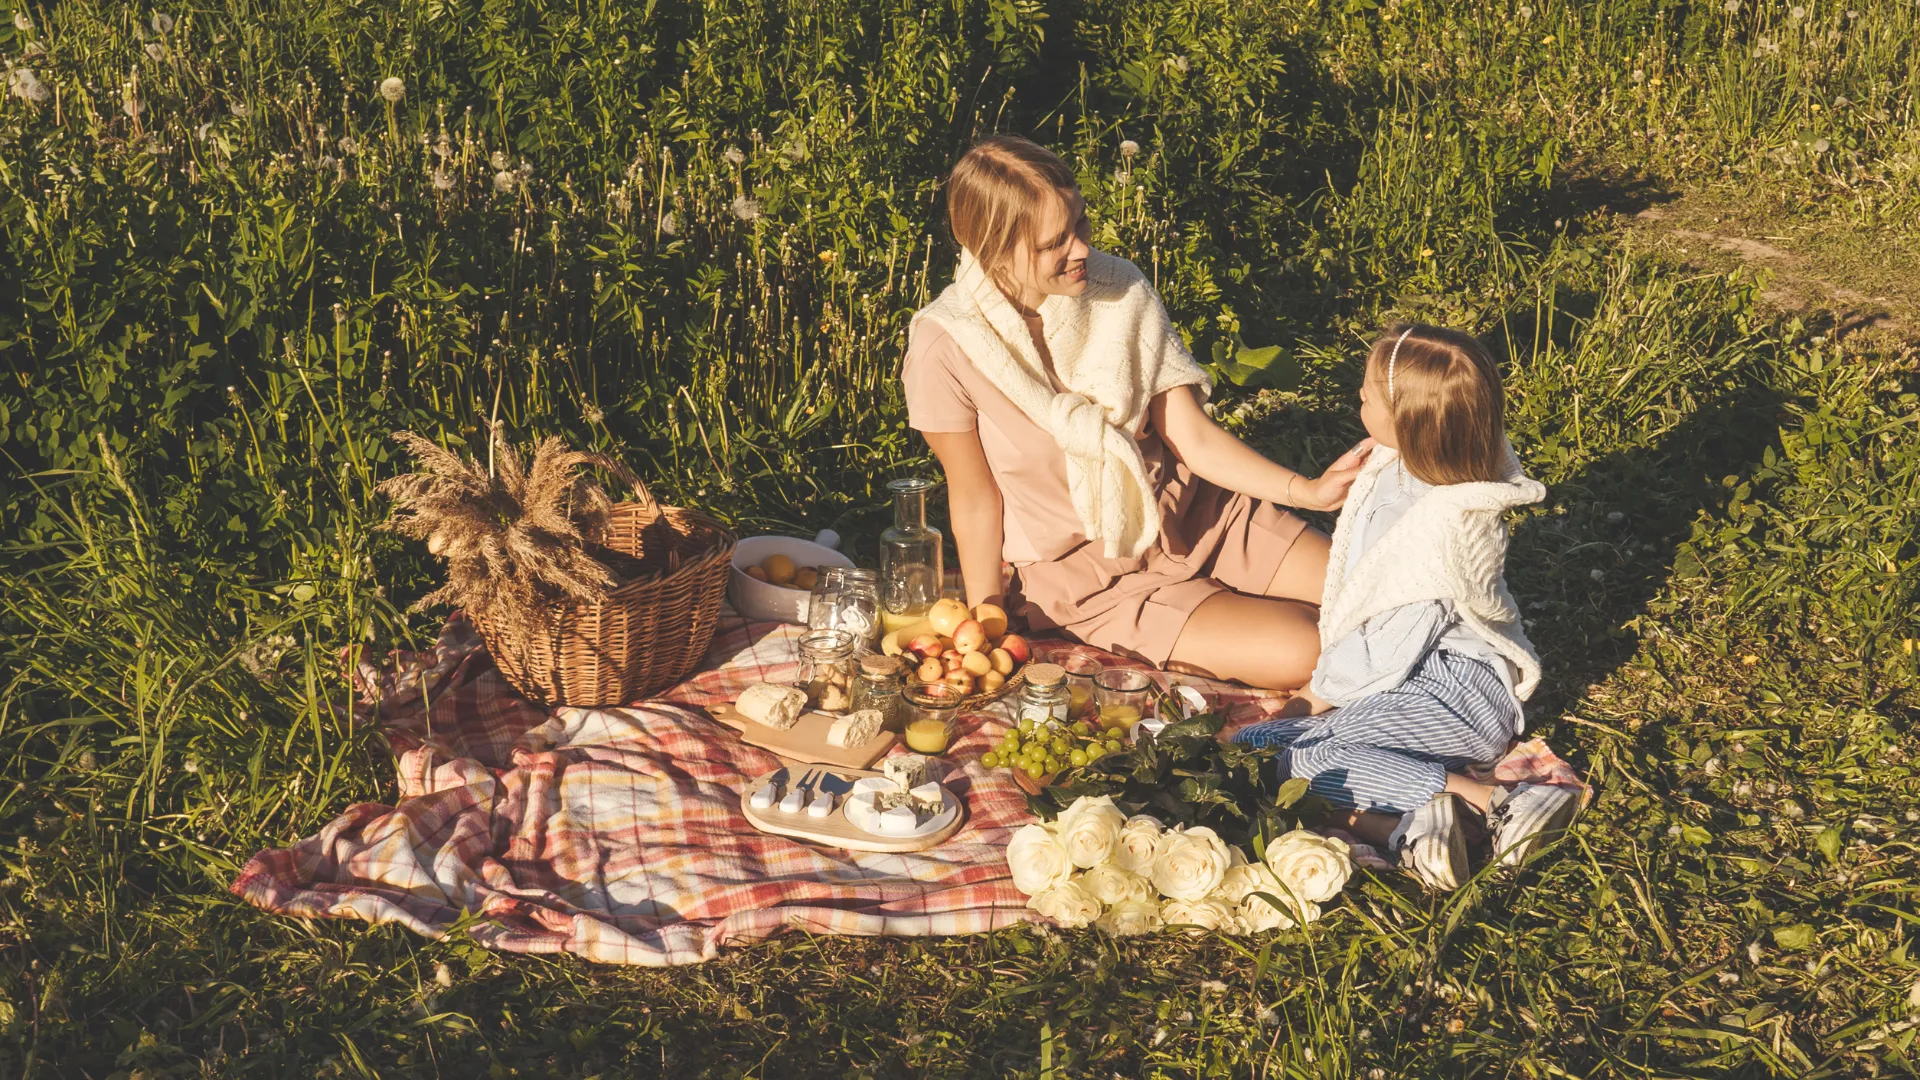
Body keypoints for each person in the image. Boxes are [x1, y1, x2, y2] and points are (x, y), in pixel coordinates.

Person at [901, 135, 1371, 693]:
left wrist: (1308, 491)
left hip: (1196, 514)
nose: (1080, 250)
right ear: (991, 248)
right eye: (1054, 242)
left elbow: (1191, 437)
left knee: (1384, 594)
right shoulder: (945, 346)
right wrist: (986, 626)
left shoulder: (1117, 288)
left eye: (1081, 224)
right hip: (1090, 576)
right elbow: (976, 496)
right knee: (1310, 649)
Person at [1228, 324, 1580, 890]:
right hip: (1419, 683)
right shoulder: (1409, 463)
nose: (1358, 393)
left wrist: (1304, 702)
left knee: (1300, 755)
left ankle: (1499, 801)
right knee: (1253, 748)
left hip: (1460, 694)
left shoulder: (1435, 534)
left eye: (1369, 388)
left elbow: (1382, 653)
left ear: (1408, 418)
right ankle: (1414, 830)